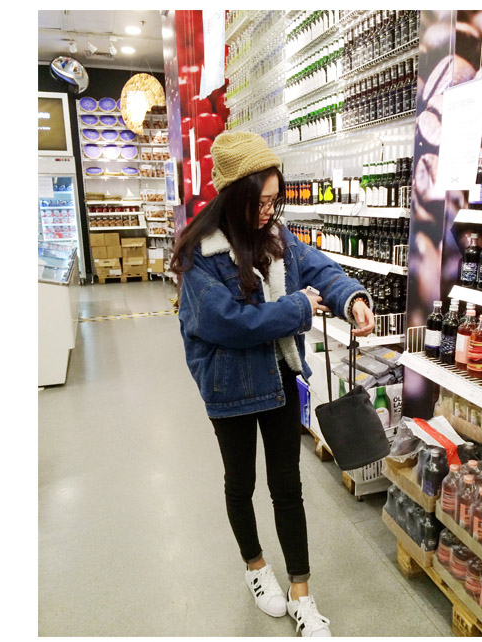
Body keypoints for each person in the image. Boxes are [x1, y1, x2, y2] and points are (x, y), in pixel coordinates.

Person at [170, 131, 375, 637]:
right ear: (234, 194)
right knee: (240, 482)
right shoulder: (200, 255)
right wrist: (297, 307)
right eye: (260, 201)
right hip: (229, 388)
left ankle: (302, 592)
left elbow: (320, 268)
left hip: (280, 378)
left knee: (288, 485)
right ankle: (256, 568)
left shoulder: (277, 237)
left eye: (274, 201)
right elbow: (227, 322)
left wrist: (350, 298)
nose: (269, 211)